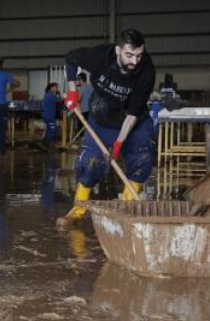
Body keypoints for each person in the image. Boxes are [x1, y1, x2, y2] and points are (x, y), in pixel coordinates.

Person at [60, 28, 157, 221]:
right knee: (90, 163)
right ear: (117, 50)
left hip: (133, 121)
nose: (134, 61)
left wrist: (120, 142)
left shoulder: (146, 70)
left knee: (143, 158)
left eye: (139, 55)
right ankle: (78, 210)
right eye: (129, 55)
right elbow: (71, 58)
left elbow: (134, 112)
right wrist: (72, 92)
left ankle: (129, 211)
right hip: (102, 117)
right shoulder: (100, 56)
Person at [38, 82, 60, 151]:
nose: (56, 89)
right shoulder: (50, 95)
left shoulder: (47, 95)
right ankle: (43, 143)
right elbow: (59, 100)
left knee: (49, 130)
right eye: (56, 88)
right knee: (53, 130)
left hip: (48, 116)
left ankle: (47, 145)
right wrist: (60, 95)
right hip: (49, 116)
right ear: (52, 88)